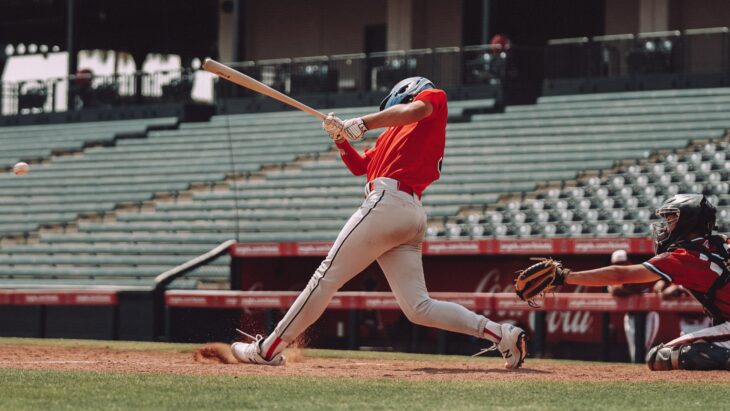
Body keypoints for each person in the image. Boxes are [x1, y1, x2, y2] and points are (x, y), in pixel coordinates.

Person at [231, 77, 527, 369]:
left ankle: (267, 349)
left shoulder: (432, 97)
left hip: (388, 204)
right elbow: (360, 166)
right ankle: (501, 334)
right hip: (407, 214)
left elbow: (415, 111)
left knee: (325, 277)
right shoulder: (392, 136)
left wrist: (363, 122)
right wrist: (339, 139)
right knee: (418, 307)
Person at [557, 194, 730, 370]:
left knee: (661, 356)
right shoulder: (722, 242)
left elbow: (619, 276)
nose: (666, 226)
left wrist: (566, 277)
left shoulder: (685, 256)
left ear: (689, 222)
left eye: (671, 220)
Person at [606, 249, 660, 363]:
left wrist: (624, 289)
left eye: (622, 264)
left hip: (648, 317)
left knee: (643, 352)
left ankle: (647, 379)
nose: (620, 267)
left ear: (628, 263)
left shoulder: (637, 272)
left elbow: (629, 290)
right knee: (634, 354)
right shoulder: (613, 276)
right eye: (617, 265)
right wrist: (625, 289)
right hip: (630, 317)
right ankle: (637, 378)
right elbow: (615, 290)